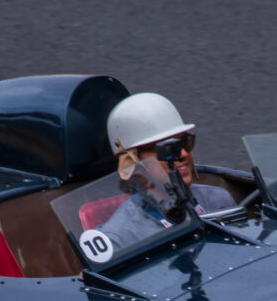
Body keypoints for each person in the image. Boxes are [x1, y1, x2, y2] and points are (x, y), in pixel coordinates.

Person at [97, 93, 236, 249]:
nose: (183, 154)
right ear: (132, 162)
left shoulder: (218, 201)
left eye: (184, 142)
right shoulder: (120, 239)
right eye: (167, 149)